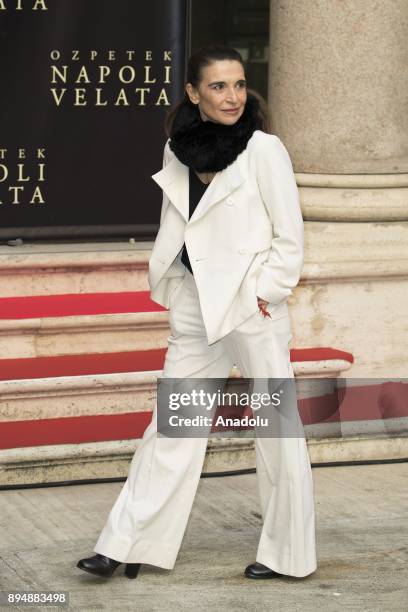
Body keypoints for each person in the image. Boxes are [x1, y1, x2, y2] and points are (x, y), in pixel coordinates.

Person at [77, 44, 317, 581]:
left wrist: (268, 290)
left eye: (238, 84)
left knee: (277, 430)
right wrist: (170, 276)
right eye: (217, 86)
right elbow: (179, 222)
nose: (231, 96)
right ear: (193, 93)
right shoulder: (177, 148)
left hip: (248, 306)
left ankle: (288, 555)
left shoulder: (263, 148)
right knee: (173, 427)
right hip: (193, 305)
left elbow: (290, 232)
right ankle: (125, 545)